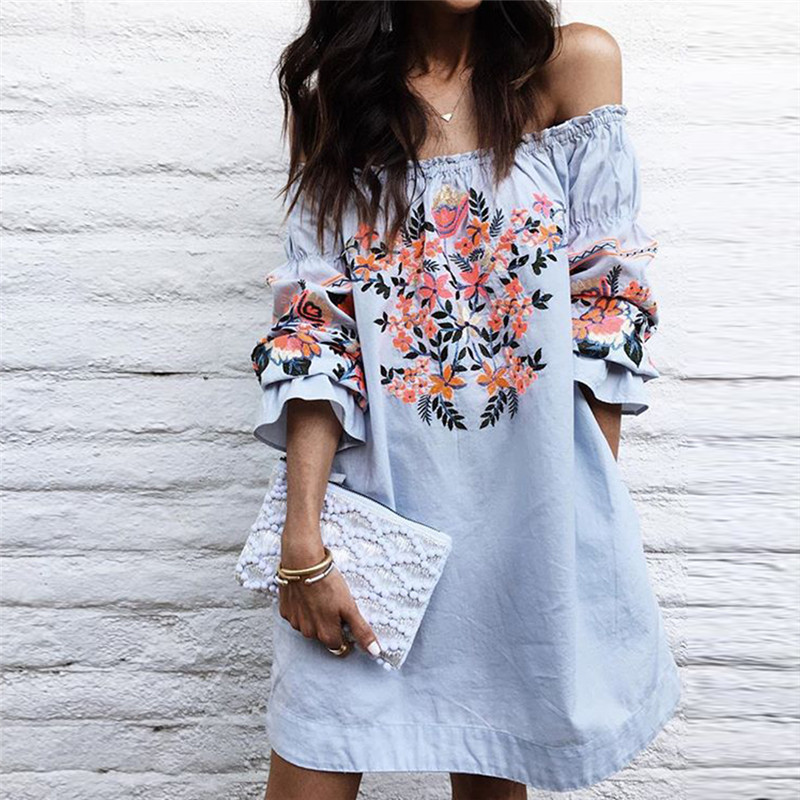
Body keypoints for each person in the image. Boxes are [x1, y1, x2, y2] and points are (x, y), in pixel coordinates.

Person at [246, 2, 681, 798]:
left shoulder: (570, 67)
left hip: (526, 514)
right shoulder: (340, 97)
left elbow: (608, 309)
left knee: (493, 779)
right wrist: (301, 538)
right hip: (376, 514)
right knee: (311, 759)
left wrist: (575, 524)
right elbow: (317, 333)